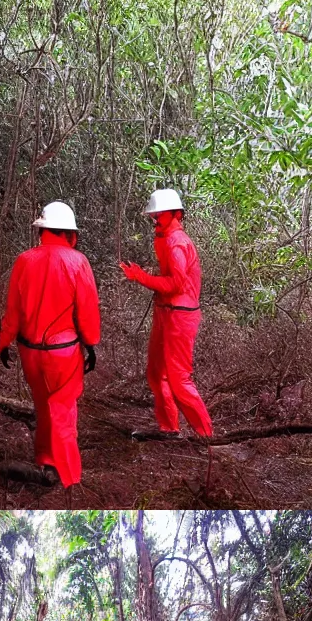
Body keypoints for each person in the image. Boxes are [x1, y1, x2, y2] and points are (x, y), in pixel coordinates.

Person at [0, 201, 102, 491]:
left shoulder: (23, 260)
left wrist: (4, 342)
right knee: (64, 410)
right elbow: (88, 310)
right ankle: (70, 478)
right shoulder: (78, 262)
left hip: (30, 352)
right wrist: (91, 344)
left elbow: (13, 311)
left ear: (41, 231)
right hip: (64, 353)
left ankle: (45, 461)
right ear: (70, 233)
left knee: (44, 407)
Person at [119, 188, 213, 440]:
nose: (156, 219)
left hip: (179, 316)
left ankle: (206, 436)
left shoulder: (176, 242)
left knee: (178, 378)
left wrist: (141, 277)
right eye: (155, 215)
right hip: (166, 312)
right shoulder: (165, 238)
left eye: (160, 215)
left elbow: (175, 284)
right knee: (156, 373)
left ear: (175, 214)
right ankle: (169, 428)